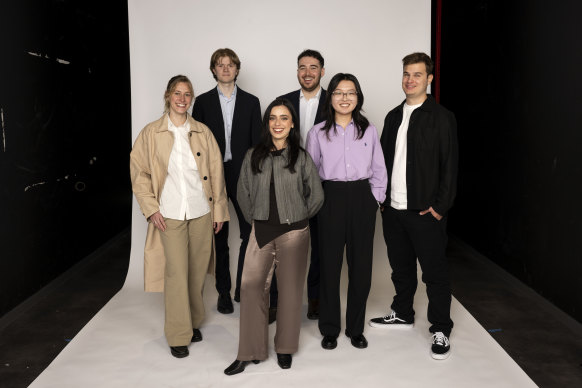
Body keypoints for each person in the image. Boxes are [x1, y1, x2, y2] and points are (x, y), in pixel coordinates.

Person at [130, 75, 229, 358]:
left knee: (197, 272)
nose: (182, 99)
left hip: (201, 210)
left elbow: (217, 172)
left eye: (187, 94)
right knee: (175, 273)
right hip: (169, 213)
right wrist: (151, 209)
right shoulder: (151, 133)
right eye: (177, 93)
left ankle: (192, 322)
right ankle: (177, 334)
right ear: (168, 96)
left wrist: (219, 209)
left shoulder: (202, 132)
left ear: (191, 98)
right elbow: (139, 174)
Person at [224, 98, 324, 375]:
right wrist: (256, 218)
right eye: (273, 118)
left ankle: (285, 349)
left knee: (291, 293)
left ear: (292, 124)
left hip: (295, 233)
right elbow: (242, 193)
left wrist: (299, 216)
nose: (278, 123)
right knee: (250, 287)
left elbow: (316, 195)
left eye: (283, 118)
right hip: (262, 230)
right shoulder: (252, 155)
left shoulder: (301, 157)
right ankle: (250, 351)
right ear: (267, 123)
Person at [369, 52, 458, 360]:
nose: (410, 80)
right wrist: (381, 199)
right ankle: (403, 312)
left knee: (434, 273)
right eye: (406, 74)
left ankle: (441, 328)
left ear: (429, 79)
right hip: (393, 211)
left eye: (417, 74)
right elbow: (380, 161)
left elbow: (450, 167)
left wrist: (439, 208)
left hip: (425, 212)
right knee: (401, 267)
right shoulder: (393, 115)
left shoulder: (442, 117)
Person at [306, 73, 387, 350]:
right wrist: (317, 204)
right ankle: (329, 328)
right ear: (331, 97)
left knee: (361, 267)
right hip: (330, 198)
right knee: (329, 265)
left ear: (358, 97)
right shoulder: (317, 132)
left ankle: (355, 328)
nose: (345, 98)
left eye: (350, 93)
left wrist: (375, 199)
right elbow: (310, 174)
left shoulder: (369, 130)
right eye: (339, 92)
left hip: (362, 198)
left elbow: (379, 169)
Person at [192, 48, 262, 314]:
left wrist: (255, 179)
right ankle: (223, 291)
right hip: (212, 174)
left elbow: (257, 144)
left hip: (242, 173)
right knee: (218, 234)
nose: (225, 68)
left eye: (230, 64)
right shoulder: (202, 102)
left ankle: (242, 288)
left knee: (249, 232)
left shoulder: (252, 102)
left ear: (237, 69)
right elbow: (195, 143)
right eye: (220, 65)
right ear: (213, 70)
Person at [269, 49, 327, 322]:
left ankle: (314, 298)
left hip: (323, 183)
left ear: (322, 72)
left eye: (313, 67)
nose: (307, 73)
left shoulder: (334, 101)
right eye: (302, 67)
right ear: (297, 72)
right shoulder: (283, 102)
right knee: (281, 244)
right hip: (287, 183)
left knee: (319, 244)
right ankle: (276, 302)